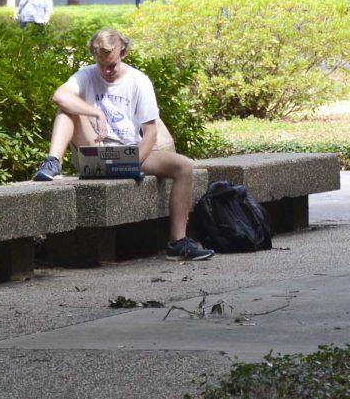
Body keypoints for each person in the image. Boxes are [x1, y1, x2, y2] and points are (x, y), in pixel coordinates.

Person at [32, 29, 215, 261]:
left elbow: (150, 133)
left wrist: (131, 162)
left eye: (112, 65)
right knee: (68, 110)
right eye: (101, 65)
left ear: (124, 54)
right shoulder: (86, 75)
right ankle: (52, 163)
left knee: (184, 167)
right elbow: (60, 96)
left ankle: (178, 242)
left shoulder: (140, 81)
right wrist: (95, 112)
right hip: (95, 150)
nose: (106, 71)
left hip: (131, 150)